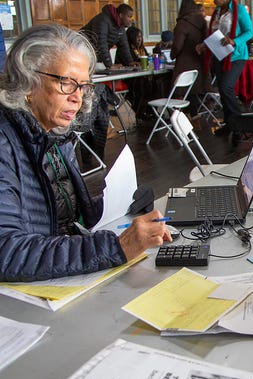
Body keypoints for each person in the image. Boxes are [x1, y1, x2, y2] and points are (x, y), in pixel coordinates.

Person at [0, 24, 171, 282]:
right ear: (27, 82)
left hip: (58, 277)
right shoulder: (4, 142)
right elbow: (7, 252)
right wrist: (117, 246)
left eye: (82, 86)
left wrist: (123, 204)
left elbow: (64, 219)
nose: (78, 98)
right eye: (67, 84)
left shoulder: (54, 134)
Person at [198, 0, 253, 139]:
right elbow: (215, 34)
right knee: (222, 91)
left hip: (236, 56)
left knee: (226, 87)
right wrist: (205, 45)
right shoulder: (217, 12)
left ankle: (239, 125)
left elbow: (249, 32)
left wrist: (234, 40)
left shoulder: (239, 10)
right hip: (219, 55)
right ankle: (230, 125)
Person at [81, 3, 136, 69]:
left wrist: (130, 62)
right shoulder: (102, 20)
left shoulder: (121, 27)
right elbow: (101, 43)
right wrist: (109, 65)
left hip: (91, 56)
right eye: (129, 17)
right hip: (79, 52)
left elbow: (124, 46)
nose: (131, 20)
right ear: (121, 15)